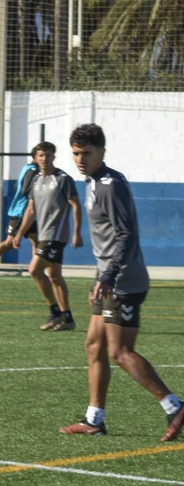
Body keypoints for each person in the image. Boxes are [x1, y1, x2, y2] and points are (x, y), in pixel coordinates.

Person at [57, 123, 184, 439]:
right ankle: (94, 419)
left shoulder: (109, 185)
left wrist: (109, 276)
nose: (80, 159)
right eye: (75, 153)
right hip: (110, 280)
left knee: (120, 352)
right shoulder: (94, 182)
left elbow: (125, 235)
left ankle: (175, 407)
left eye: (87, 153)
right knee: (93, 345)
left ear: (102, 151)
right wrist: (101, 277)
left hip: (124, 282)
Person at [9, 141, 83, 332]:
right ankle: (67, 318)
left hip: (56, 235)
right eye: (41, 155)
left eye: (48, 155)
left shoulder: (63, 179)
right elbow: (31, 210)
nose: (44, 159)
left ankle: (55, 312)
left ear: (53, 157)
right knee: (55, 277)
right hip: (44, 234)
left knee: (34, 270)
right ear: (35, 158)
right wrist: (18, 234)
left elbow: (75, 205)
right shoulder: (36, 180)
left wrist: (76, 232)